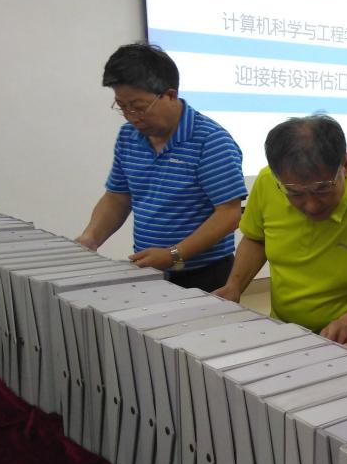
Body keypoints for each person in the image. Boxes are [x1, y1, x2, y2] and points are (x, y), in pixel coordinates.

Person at [214, 115, 347, 343]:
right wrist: (234, 286)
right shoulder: (267, 182)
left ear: (345, 165)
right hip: (284, 332)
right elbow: (257, 239)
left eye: (322, 189)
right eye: (295, 193)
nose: (311, 205)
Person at [77, 43, 247, 292]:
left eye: (139, 107)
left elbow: (229, 214)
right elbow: (118, 197)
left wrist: (174, 254)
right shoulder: (128, 136)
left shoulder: (210, 141)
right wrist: (90, 239)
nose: (131, 116)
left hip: (205, 274)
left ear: (170, 95)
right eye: (122, 107)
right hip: (151, 269)